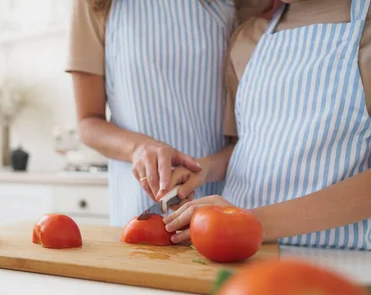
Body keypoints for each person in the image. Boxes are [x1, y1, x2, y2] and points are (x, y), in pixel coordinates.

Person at [162, 0, 371, 251]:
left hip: (343, 261)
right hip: (238, 253)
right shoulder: (248, 36)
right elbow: (250, 146)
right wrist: (204, 168)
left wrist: (251, 221)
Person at [65, 0, 270, 226]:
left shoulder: (243, 6)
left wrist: (205, 168)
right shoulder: (94, 4)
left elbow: (249, 138)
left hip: (226, 206)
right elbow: (88, 123)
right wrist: (139, 148)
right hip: (138, 207)